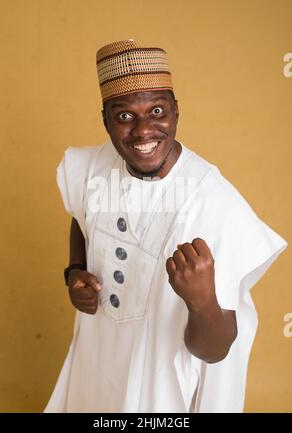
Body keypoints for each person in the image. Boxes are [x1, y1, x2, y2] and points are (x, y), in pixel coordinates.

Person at [44, 39, 288, 413]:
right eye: (125, 115)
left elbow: (216, 351)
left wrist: (202, 300)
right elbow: (81, 213)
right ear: (105, 119)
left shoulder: (214, 205)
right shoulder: (93, 166)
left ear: (176, 111)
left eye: (157, 110)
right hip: (97, 371)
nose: (143, 131)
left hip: (161, 392)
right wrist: (75, 270)